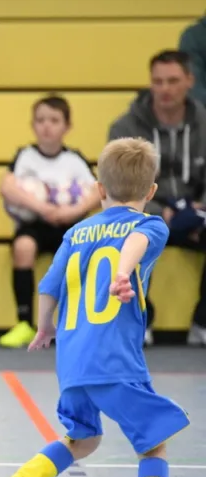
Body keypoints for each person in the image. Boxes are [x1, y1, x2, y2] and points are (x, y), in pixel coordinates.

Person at [0, 137, 196, 477]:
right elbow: (132, 243)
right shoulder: (150, 225)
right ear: (150, 193)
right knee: (153, 446)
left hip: (72, 361)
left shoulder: (76, 232)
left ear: (98, 189)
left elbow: (48, 286)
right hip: (114, 360)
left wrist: (43, 327)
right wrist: (122, 271)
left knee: (83, 439)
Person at [107, 50, 206, 347]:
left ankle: (203, 322)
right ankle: (140, 319)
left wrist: (199, 208)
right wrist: (160, 211)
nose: (165, 89)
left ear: (190, 80)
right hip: (147, 212)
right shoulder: (124, 129)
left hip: (198, 212)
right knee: (120, 226)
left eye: (173, 80)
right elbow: (120, 185)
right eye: (158, 81)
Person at [0, 95, 99, 349]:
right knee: (23, 247)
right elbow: (7, 187)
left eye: (54, 120)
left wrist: (72, 211)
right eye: (41, 120)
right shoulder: (25, 156)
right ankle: (23, 323)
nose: (47, 126)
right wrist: (42, 208)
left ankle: (77, 325)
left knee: (81, 252)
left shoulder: (74, 159)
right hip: (34, 224)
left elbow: (99, 191)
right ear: (33, 125)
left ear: (67, 126)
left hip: (69, 224)